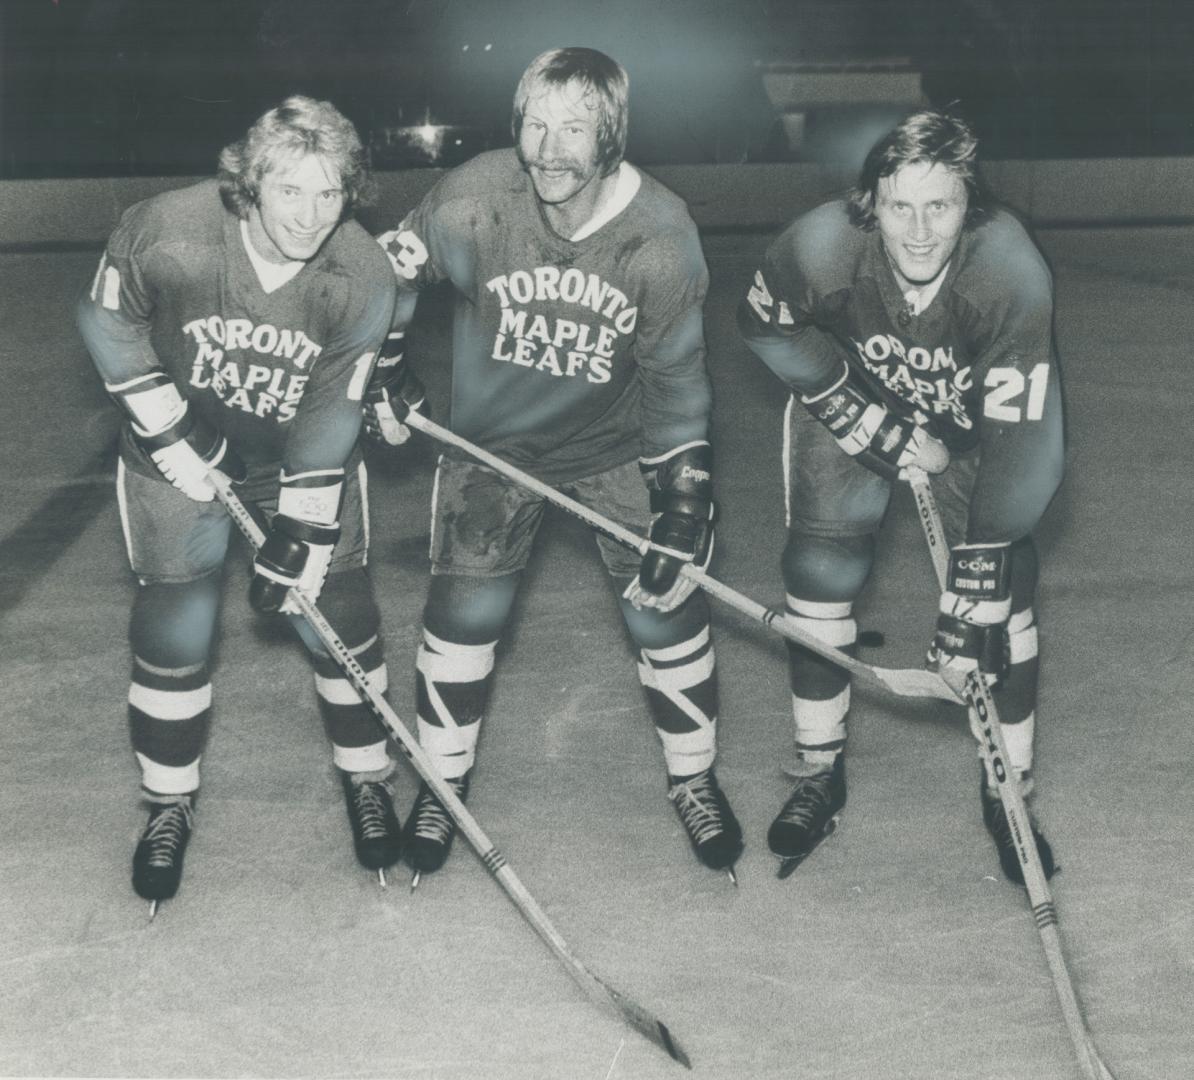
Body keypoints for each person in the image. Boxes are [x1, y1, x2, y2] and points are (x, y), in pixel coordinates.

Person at [368, 46, 742, 883]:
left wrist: (683, 497)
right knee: (462, 621)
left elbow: (677, 380)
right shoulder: (475, 197)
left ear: (611, 135)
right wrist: (386, 368)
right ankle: (442, 784)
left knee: (665, 615)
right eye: (535, 123)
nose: (548, 148)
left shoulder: (662, 236)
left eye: (574, 127)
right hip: (492, 450)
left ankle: (694, 778)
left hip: (617, 449)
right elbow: (386, 271)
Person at [76, 95, 402, 911]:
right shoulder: (170, 231)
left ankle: (367, 779)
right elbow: (108, 322)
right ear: (248, 185)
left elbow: (333, 409)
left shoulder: (360, 272)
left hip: (293, 459)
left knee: (342, 613)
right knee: (176, 623)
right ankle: (167, 800)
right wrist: (173, 431)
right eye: (291, 191)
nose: (311, 215)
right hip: (175, 451)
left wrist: (306, 523)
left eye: (331, 193)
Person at [736, 109, 1064, 884]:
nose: (918, 231)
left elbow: (1028, 441)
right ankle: (819, 770)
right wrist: (870, 422)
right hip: (858, 397)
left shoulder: (1009, 273)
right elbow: (761, 322)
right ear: (869, 203)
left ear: (969, 206)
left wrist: (973, 588)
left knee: (999, 607)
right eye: (898, 207)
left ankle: (1007, 790)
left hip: (975, 428)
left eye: (940, 207)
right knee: (819, 575)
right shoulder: (821, 245)